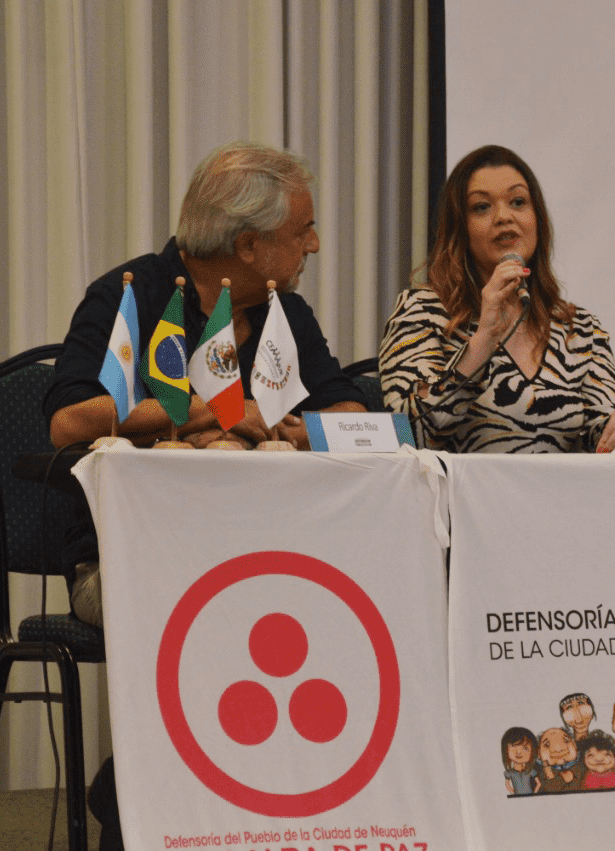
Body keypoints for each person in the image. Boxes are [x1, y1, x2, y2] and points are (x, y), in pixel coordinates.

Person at [44, 141, 366, 851]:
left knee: (330, 604)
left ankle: (259, 808)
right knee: (239, 614)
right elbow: (68, 421)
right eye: (302, 231)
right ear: (249, 246)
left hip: (266, 557)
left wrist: (289, 424)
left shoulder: (285, 312)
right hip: (123, 566)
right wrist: (197, 409)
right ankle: (146, 801)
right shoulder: (130, 294)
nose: (314, 245)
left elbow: (349, 412)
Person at [378, 144, 615, 453]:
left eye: (518, 202)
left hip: (557, 485)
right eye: (482, 207)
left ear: (537, 219)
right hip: (461, 486)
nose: (503, 217)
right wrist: (483, 341)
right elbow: (407, 435)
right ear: (460, 228)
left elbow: (607, 437)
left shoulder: (580, 329)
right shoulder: (422, 312)